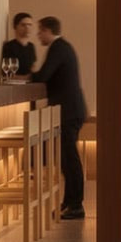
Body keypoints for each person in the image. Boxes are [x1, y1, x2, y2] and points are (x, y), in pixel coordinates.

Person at [32, 16, 88, 219]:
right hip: (71, 110)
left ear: (48, 30)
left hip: (68, 111)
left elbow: (43, 76)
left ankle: (76, 205)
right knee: (67, 160)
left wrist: (26, 76)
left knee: (69, 160)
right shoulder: (63, 47)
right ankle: (70, 202)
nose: (38, 36)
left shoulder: (58, 48)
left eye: (40, 31)